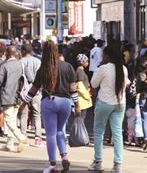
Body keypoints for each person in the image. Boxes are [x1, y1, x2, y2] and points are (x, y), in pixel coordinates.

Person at [22, 40, 79, 173]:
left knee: (50, 134)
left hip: (49, 102)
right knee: (60, 130)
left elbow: (34, 89)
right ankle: (64, 157)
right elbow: (73, 89)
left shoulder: (44, 68)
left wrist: (24, 102)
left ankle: (53, 165)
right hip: (65, 103)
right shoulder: (68, 66)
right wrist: (77, 105)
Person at [89, 45, 130, 173]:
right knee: (117, 134)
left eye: (103, 55)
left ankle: (98, 162)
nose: (102, 57)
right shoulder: (123, 69)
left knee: (98, 132)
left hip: (104, 103)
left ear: (107, 56)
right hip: (120, 103)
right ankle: (117, 165)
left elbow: (93, 84)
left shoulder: (103, 69)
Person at [0, 46, 31, 153]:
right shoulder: (22, 64)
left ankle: (21, 138)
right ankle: (9, 145)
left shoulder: (4, 65)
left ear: (7, 54)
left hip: (7, 95)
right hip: (18, 96)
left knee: (9, 120)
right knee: (12, 120)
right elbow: (31, 78)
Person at [19, 43, 45, 147]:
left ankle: (23, 138)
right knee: (37, 115)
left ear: (23, 51)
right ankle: (38, 139)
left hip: (23, 92)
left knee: (23, 114)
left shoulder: (20, 62)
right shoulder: (38, 61)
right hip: (36, 91)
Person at [76, 54, 92, 120]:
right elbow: (79, 86)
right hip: (82, 99)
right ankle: (77, 130)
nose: (88, 63)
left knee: (80, 119)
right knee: (80, 119)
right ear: (83, 62)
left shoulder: (80, 71)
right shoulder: (80, 72)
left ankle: (77, 130)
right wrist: (87, 96)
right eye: (87, 61)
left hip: (82, 98)